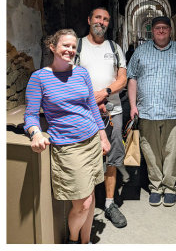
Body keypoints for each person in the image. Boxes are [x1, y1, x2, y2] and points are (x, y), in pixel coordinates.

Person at [23, 29, 111, 244]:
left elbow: (92, 107)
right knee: (82, 204)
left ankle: (85, 241)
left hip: (91, 141)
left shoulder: (81, 73)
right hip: (68, 147)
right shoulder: (39, 78)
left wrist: (103, 136)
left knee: (90, 197)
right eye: (65, 46)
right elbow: (31, 115)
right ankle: (72, 241)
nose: (70, 50)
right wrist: (35, 134)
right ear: (52, 47)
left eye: (73, 47)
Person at [127, 16, 176, 207]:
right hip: (147, 112)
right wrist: (133, 106)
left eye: (165, 28)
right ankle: (156, 186)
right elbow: (132, 78)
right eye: (158, 28)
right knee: (150, 152)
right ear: (152, 31)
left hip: (174, 112)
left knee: (172, 152)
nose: (161, 31)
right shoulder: (141, 51)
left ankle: (170, 187)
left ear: (170, 30)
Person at [76, 7, 128, 228]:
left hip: (113, 112)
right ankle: (85, 205)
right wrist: (92, 101)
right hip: (83, 114)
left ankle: (109, 203)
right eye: (98, 17)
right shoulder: (76, 46)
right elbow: (67, 79)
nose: (102, 22)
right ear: (89, 20)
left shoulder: (114, 48)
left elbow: (122, 79)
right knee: (86, 157)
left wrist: (104, 93)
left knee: (112, 159)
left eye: (106, 19)